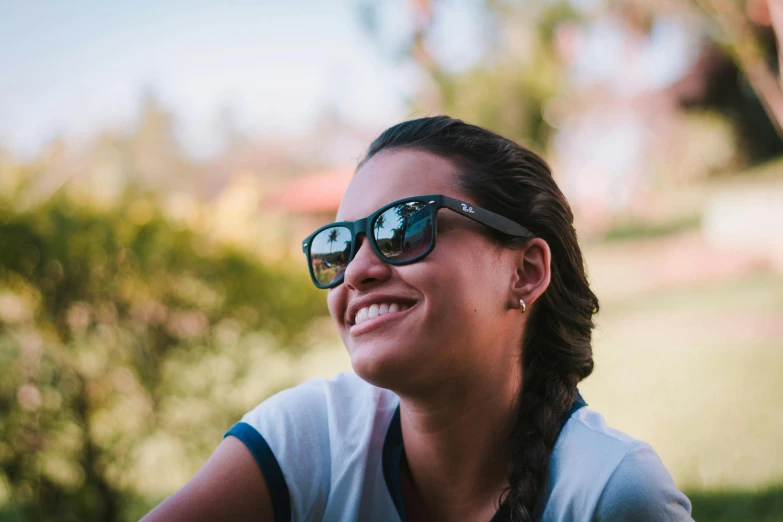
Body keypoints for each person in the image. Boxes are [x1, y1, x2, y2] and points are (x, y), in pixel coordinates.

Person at [143, 116, 694, 521]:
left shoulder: (610, 494)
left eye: (402, 229)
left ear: (525, 271)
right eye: (339, 246)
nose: (355, 271)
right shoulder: (310, 440)